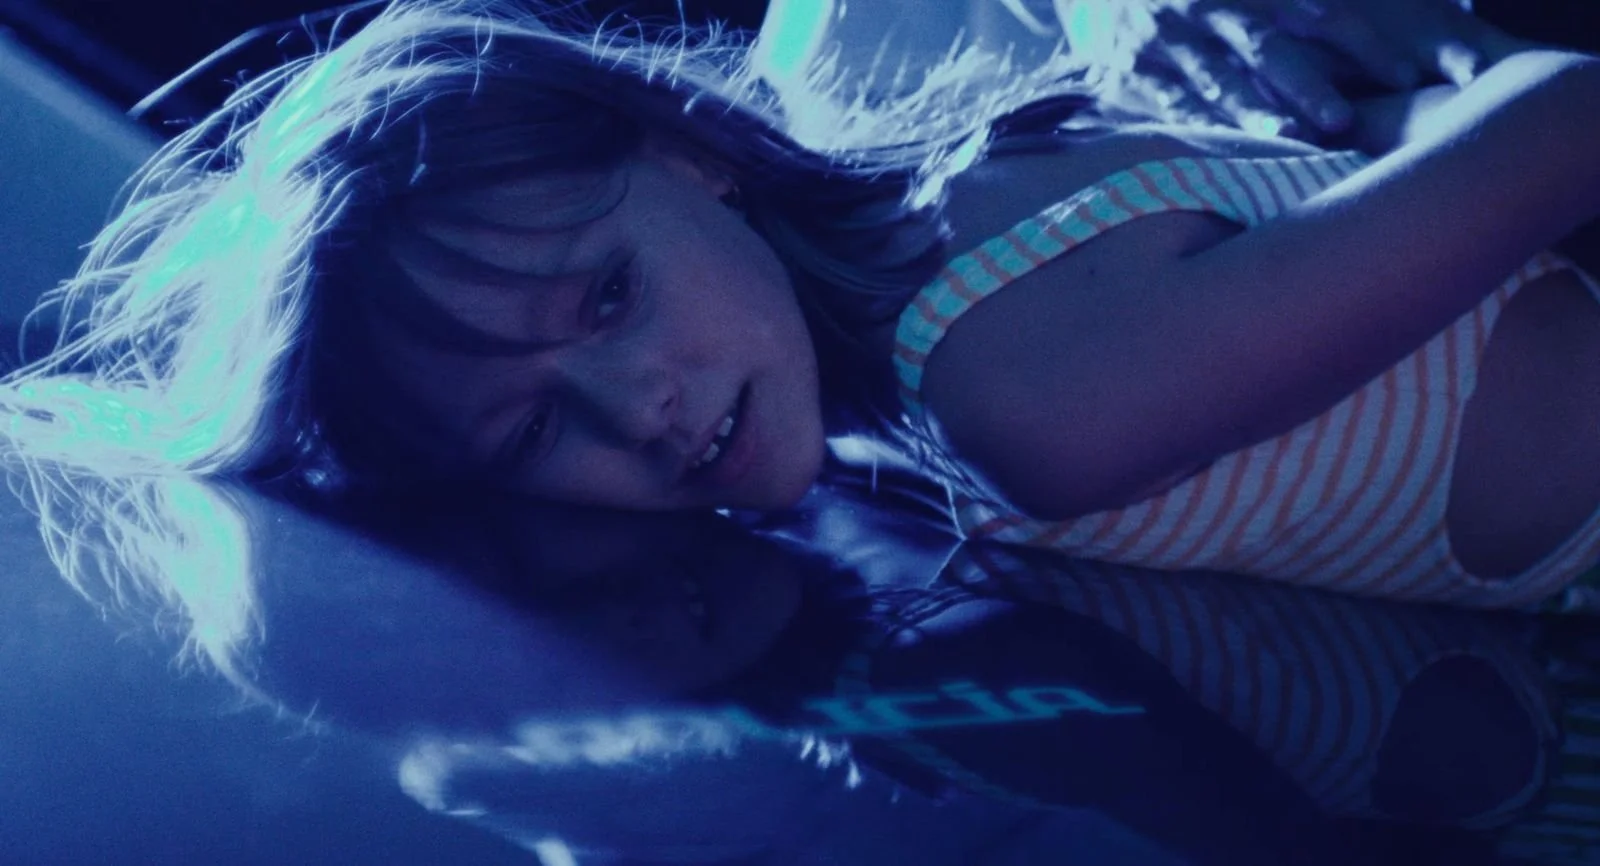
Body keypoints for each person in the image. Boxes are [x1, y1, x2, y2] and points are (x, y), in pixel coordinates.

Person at [3, 0, 1598, 625]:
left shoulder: (1017, 396)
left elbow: (1572, 119)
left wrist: (1445, 80)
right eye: (534, 427)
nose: (641, 406)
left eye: (609, 294)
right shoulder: (950, 265)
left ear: (689, 151)